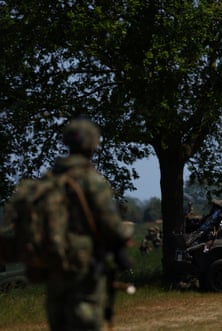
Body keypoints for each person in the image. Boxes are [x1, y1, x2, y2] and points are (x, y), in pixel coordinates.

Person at [46, 118, 133, 330]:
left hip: (55, 270)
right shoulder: (91, 181)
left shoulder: (49, 180)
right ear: (92, 144)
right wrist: (127, 230)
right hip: (86, 270)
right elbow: (111, 227)